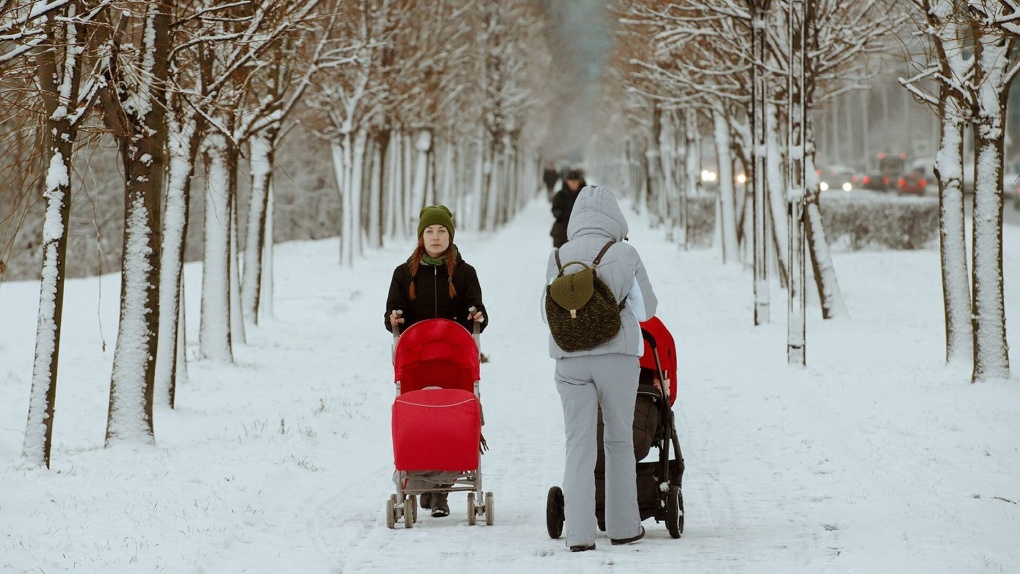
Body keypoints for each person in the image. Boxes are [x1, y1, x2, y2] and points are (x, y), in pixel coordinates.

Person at [543, 185, 657, 552]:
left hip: (570, 359)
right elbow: (647, 310)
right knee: (618, 440)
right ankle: (624, 527)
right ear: (615, 216)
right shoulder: (624, 251)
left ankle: (578, 534)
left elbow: (545, 311)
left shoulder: (558, 255)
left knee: (578, 444)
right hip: (617, 358)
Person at [385, 204, 488, 517]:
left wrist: (478, 316)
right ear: (420, 237)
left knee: (448, 422)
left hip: (454, 361)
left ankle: (438, 492)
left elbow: (479, 312)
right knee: (423, 423)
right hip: (416, 363)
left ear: (450, 235)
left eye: (442, 230)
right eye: (429, 231)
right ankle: (426, 486)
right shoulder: (404, 274)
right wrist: (394, 318)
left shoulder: (465, 273)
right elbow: (390, 312)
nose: (435, 236)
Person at [550, 169, 586, 248]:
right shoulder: (560, 195)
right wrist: (560, 215)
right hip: (563, 227)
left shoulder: (586, 195)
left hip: (581, 227)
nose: (573, 183)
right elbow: (554, 209)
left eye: (575, 181)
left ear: (579, 181)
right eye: (570, 181)